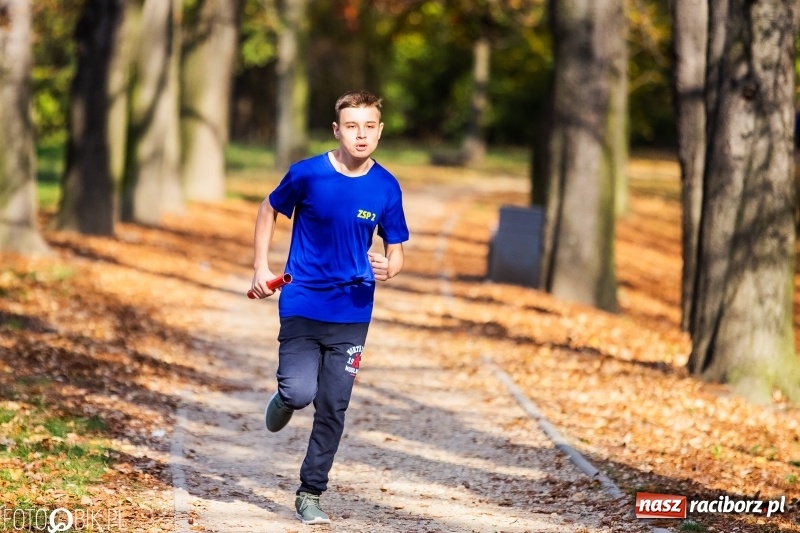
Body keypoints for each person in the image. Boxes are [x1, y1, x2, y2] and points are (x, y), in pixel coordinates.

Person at [249, 90, 409, 525]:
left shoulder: (386, 186)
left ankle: (310, 492)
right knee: (301, 392)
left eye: (369, 126)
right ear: (337, 130)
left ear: (379, 131)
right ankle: (285, 398)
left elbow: (396, 251)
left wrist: (390, 267)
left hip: (353, 311)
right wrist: (261, 266)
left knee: (334, 406)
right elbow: (268, 208)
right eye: (352, 126)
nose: (361, 134)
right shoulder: (307, 175)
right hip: (302, 301)